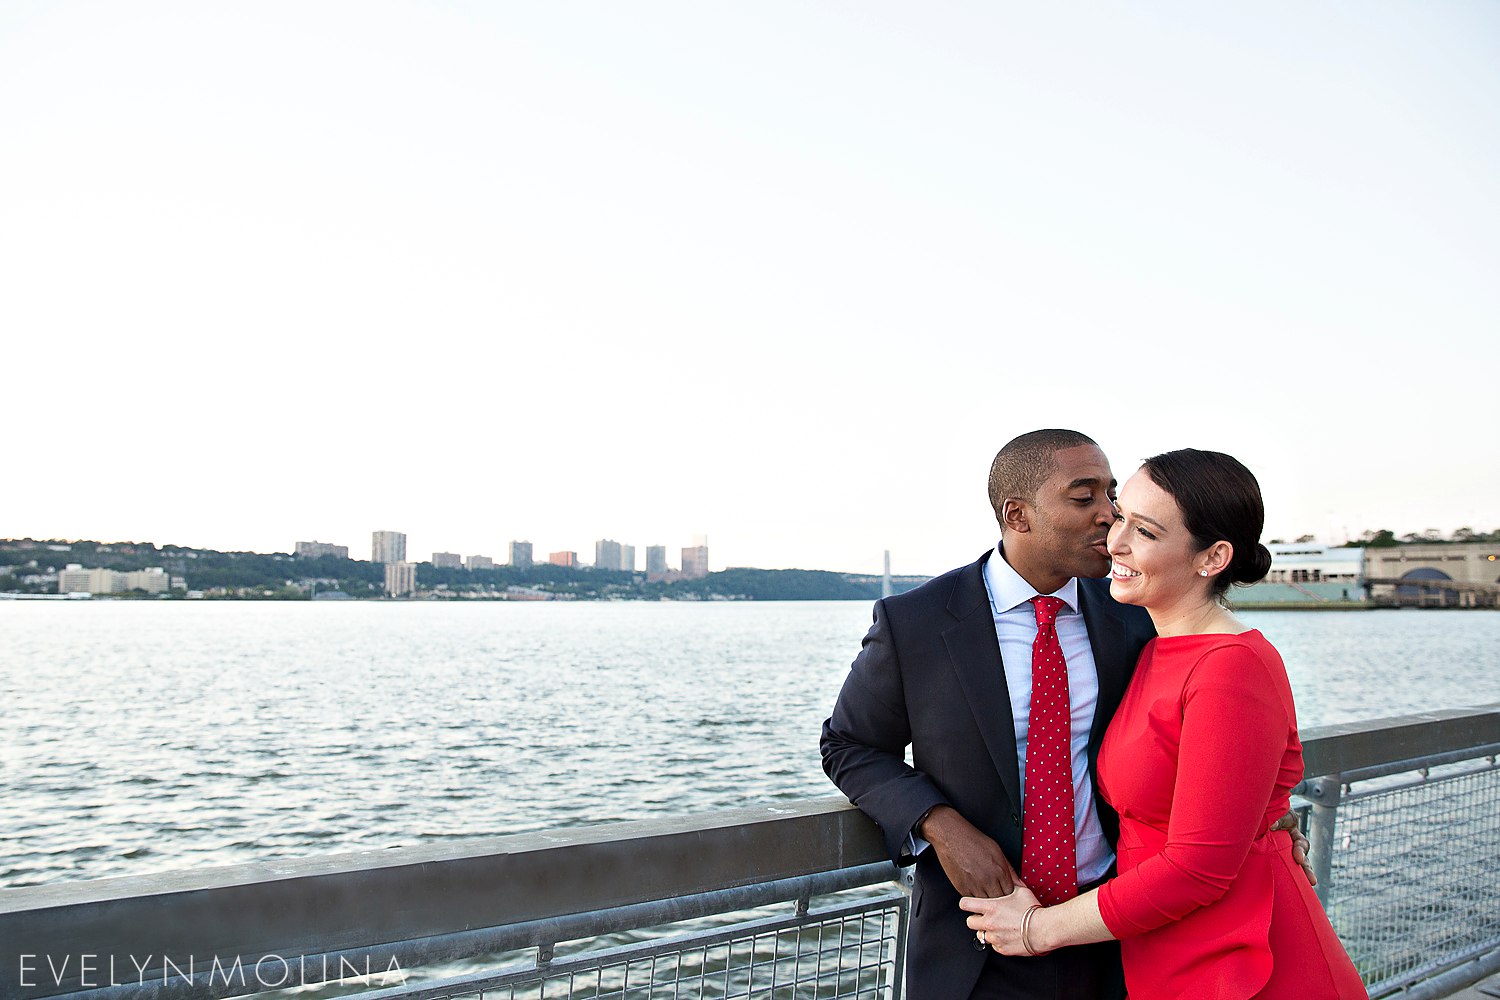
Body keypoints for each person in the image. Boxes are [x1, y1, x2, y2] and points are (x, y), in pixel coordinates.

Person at [961, 449, 1366, 998]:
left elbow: (1199, 867)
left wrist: (1036, 931)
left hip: (1243, 961)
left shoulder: (1231, 666)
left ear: (1212, 557)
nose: (1115, 540)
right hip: (1167, 949)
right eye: (1120, 515)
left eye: (1145, 531)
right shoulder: (1154, 646)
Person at [820, 428, 1155, 1000]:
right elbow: (849, 746)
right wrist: (941, 826)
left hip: (1113, 929)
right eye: (1085, 498)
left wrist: (1263, 811)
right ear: (1017, 515)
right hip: (977, 940)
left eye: (1111, 494)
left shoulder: (1133, 613)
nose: (1111, 516)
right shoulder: (916, 623)